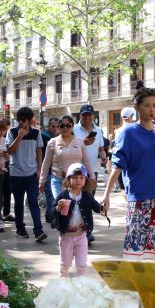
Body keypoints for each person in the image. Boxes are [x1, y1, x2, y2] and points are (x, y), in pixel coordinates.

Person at [101, 87, 155, 261]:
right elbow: (117, 166)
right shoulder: (128, 133)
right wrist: (106, 195)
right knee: (137, 252)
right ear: (136, 108)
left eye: (154, 105)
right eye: (146, 105)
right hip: (138, 198)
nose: (152, 110)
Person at [39, 115, 95, 228]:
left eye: (68, 125)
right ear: (59, 127)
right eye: (62, 125)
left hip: (77, 181)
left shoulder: (79, 142)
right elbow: (46, 163)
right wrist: (42, 180)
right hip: (58, 180)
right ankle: (64, 229)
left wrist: (92, 177)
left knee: (79, 205)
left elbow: (86, 160)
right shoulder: (52, 142)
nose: (65, 128)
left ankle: (84, 231)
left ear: (72, 127)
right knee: (63, 204)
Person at [6, 107, 47, 242]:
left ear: (30, 120)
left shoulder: (36, 133)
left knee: (33, 202)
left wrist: (39, 168)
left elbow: (39, 150)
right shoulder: (12, 132)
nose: (21, 123)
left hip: (31, 174)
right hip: (16, 174)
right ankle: (20, 228)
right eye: (20, 120)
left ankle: (38, 230)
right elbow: (10, 151)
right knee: (18, 203)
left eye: (24, 120)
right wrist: (19, 137)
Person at [53, 163, 102, 277]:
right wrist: (57, 208)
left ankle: (81, 283)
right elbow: (52, 213)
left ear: (85, 180)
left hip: (81, 236)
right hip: (66, 236)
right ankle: (62, 280)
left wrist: (102, 208)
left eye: (81, 178)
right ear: (68, 179)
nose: (78, 180)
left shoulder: (87, 195)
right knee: (66, 263)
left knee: (82, 264)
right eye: (74, 177)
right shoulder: (63, 195)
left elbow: (96, 207)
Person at [74, 104, 107, 243]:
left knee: (87, 201)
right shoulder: (74, 129)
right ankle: (75, 230)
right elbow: (69, 144)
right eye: (84, 115)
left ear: (93, 116)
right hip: (76, 170)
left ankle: (87, 232)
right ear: (80, 116)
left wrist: (104, 156)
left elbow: (100, 148)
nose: (87, 118)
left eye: (89, 115)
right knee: (75, 201)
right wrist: (83, 142)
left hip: (93, 170)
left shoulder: (98, 130)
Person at [41, 117, 60, 224]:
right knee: (50, 195)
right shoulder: (44, 136)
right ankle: (51, 215)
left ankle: (49, 214)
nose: (55, 129)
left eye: (57, 127)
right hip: (47, 169)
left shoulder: (60, 137)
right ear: (49, 126)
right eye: (53, 126)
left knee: (53, 195)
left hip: (56, 169)